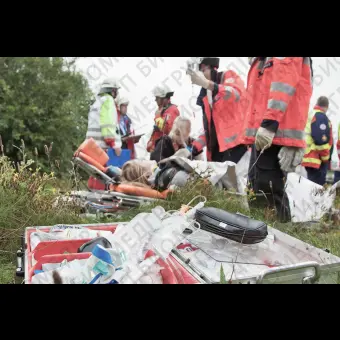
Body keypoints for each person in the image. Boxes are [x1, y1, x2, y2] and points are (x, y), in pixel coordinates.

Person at [245, 57, 313, 223]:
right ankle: (261, 235)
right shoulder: (262, 60)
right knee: (256, 188)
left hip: (275, 133)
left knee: (267, 191)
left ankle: (276, 238)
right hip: (268, 133)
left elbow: (284, 82)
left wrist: (269, 124)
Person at [186, 57, 248, 163]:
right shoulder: (205, 96)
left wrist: (210, 85)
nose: (200, 74)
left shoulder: (227, 76)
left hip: (237, 146)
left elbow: (235, 94)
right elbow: (210, 129)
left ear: (213, 68)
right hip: (217, 150)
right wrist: (194, 147)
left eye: (203, 70)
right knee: (213, 178)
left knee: (230, 178)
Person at [86, 78, 122, 156]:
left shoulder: (97, 102)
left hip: (91, 145)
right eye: (116, 90)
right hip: (104, 147)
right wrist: (113, 144)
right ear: (112, 91)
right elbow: (107, 123)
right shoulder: (108, 101)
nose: (117, 93)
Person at [302, 97, 333, 186]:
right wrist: (325, 158)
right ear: (326, 106)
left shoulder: (311, 114)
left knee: (312, 188)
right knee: (316, 190)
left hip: (311, 158)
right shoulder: (320, 116)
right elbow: (320, 140)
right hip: (317, 159)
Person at [146, 85, 180, 154]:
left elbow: (167, 129)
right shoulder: (163, 110)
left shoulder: (172, 110)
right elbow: (158, 130)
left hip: (166, 151)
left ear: (164, 98)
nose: (155, 100)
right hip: (159, 149)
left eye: (157, 98)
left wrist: (158, 116)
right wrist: (151, 143)